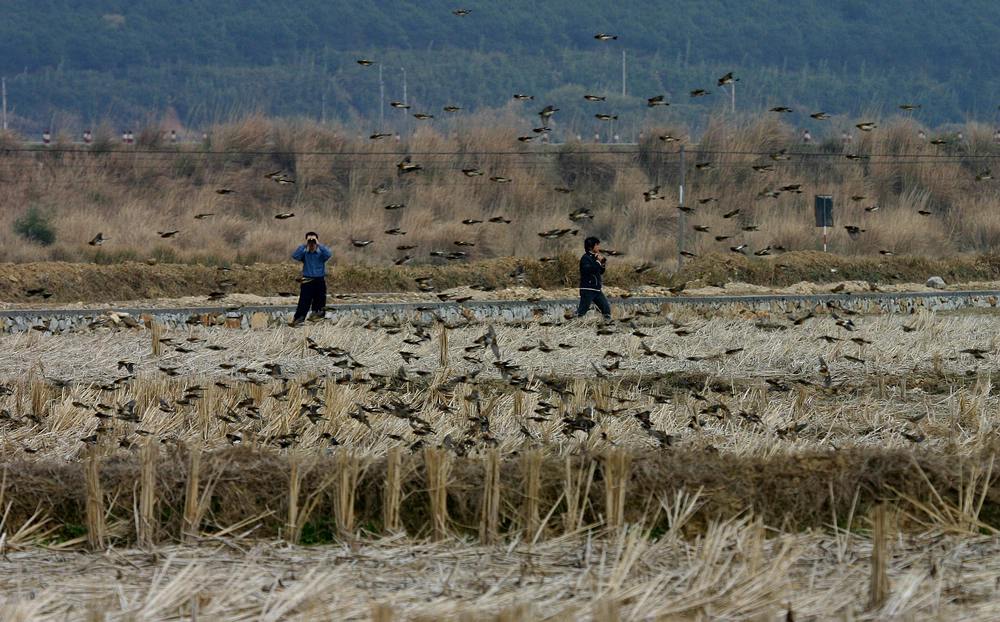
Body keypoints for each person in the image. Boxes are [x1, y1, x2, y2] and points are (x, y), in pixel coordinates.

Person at [291, 231, 332, 325]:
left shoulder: (321, 254)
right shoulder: (304, 254)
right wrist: (305, 245)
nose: (312, 242)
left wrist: (318, 244)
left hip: (319, 280)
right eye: (310, 240)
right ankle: (298, 320)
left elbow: (329, 254)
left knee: (320, 302)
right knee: (304, 301)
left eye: (313, 240)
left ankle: (318, 321)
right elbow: (295, 256)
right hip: (307, 280)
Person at [577, 236, 611, 321]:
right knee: (582, 310)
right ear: (590, 247)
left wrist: (602, 264)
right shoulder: (585, 258)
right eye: (597, 245)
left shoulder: (595, 257)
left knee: (606, 308)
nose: (598, 247)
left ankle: (607, 325)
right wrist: (598, 262)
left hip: (596, 290)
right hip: (587, 289)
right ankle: (573, 323)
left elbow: (600, 272)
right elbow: (590, 270)